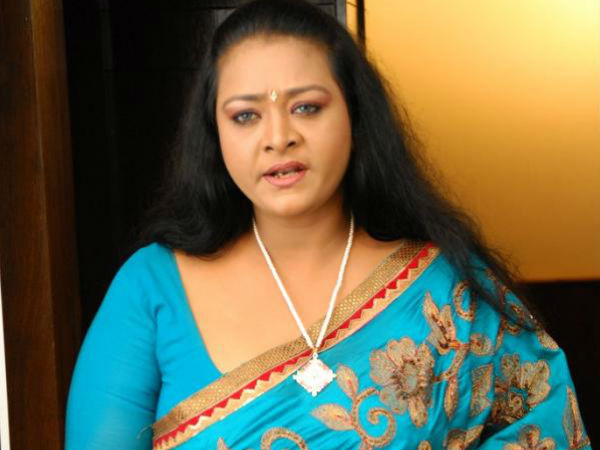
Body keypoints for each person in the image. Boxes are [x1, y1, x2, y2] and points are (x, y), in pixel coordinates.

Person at [64, 1, 592, 449]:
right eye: (245, 115)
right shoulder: (152, 288)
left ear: (355, 117)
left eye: (308, 108)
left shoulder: (445, 290)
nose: (278, 137)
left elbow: (546, 426)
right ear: (214, 135)